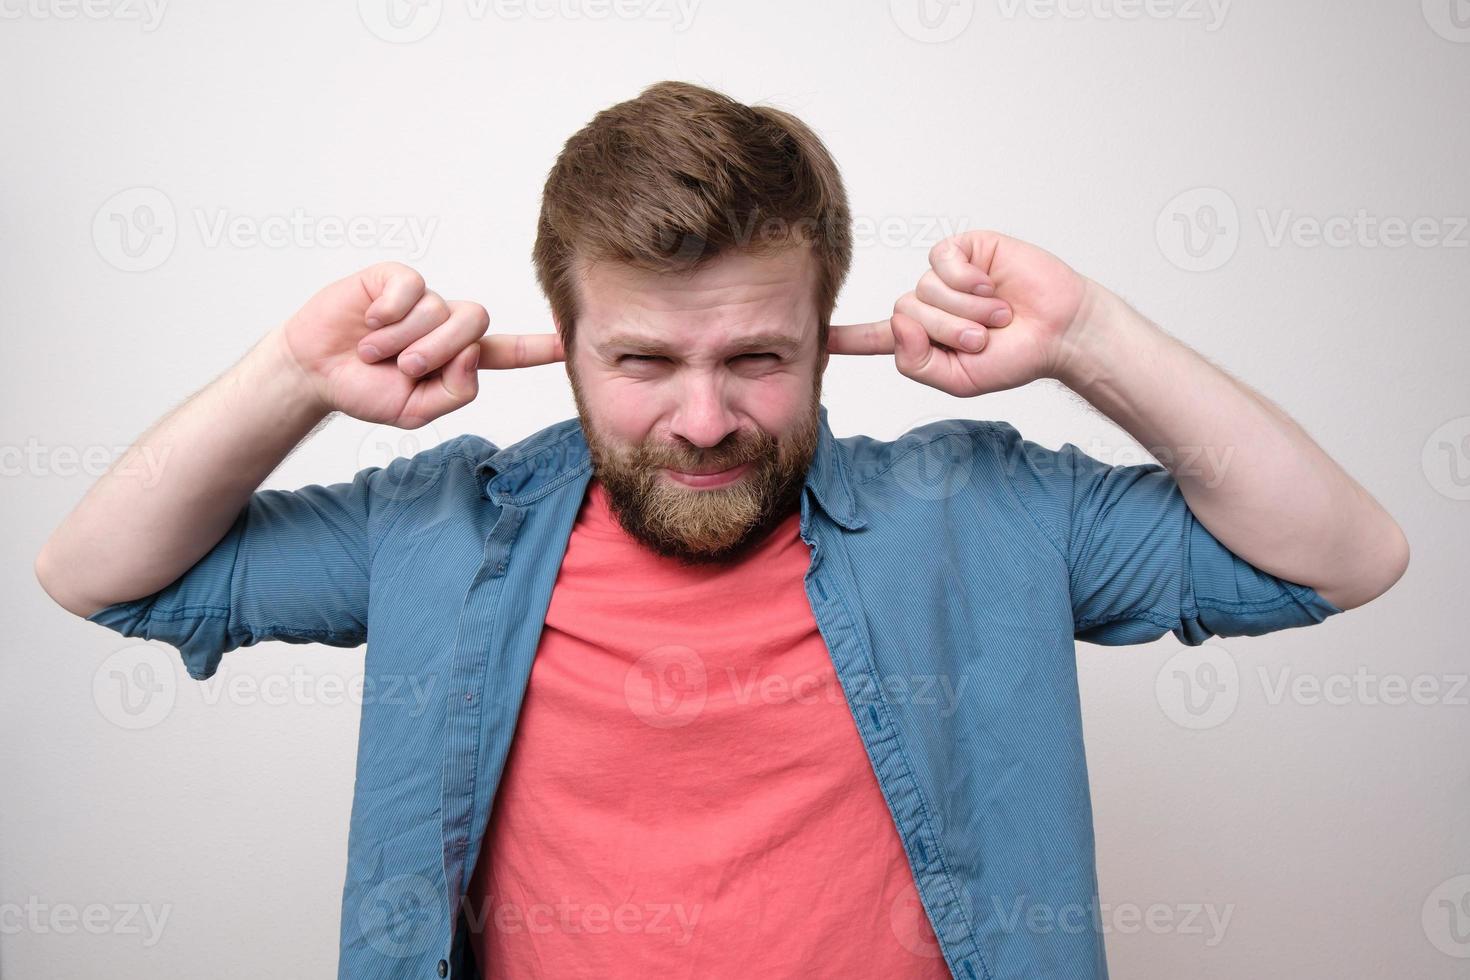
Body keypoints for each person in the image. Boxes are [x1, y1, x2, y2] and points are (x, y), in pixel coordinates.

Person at [35, 80, 1409, 980]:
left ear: (830, 340)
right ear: (558, 349)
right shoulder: (441, 527)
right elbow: (98, 575)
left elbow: (1342, 555)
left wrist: (1090, 340)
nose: (703, 421)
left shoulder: (979, 509)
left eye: (756, 356)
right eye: (640, 365)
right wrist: (292, 373)